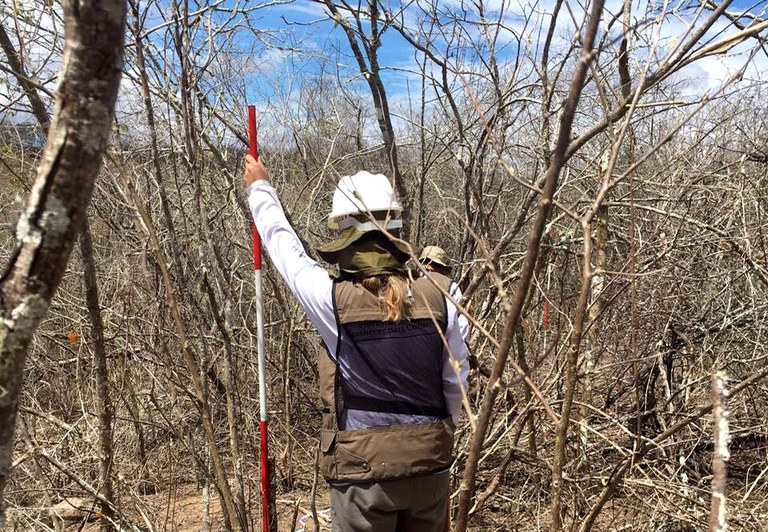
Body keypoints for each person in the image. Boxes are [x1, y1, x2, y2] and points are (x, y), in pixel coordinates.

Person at [243, 154, 468, 532]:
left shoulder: (330, 299)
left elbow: (287, 254)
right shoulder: (446, 296)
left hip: (361, 473)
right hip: (430, 464)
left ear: (344, 234)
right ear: (396, 230)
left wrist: (260, 189)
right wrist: (435, 436)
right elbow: (454, 383)